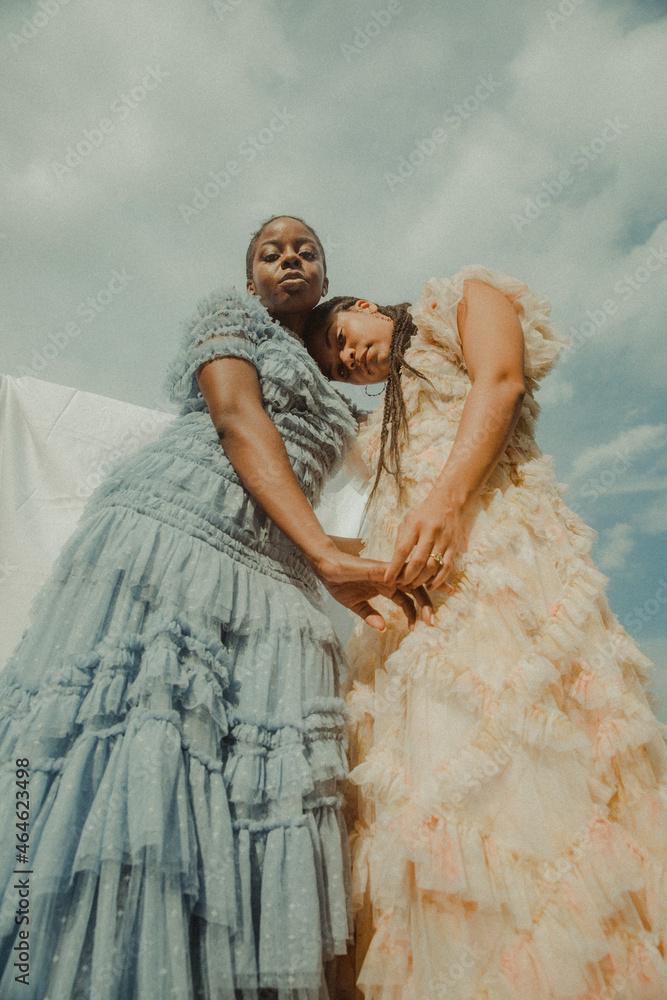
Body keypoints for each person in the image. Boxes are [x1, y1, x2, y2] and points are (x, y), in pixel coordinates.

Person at [0, 215, 427, 1000]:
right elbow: (236, 418)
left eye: (306, 251)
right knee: (142, 737)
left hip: (275, 565)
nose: (289, 259)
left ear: (328, 281)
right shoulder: (228, 320)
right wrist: (327, 553)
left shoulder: (343, 388)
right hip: (178, 525)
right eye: (271, 252)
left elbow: (424, 390)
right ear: (250, 279)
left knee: (253, 782)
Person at [304, 265, 667, 1000]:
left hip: (507, 558)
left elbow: (498, 382)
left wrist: (444, 503)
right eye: (338, 364)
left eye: (344, 338)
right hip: (419, 608)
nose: (350, 360)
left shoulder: (460, 300)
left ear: (367, 306)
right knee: (436, 786)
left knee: (541, 754)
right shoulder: (374, 425)